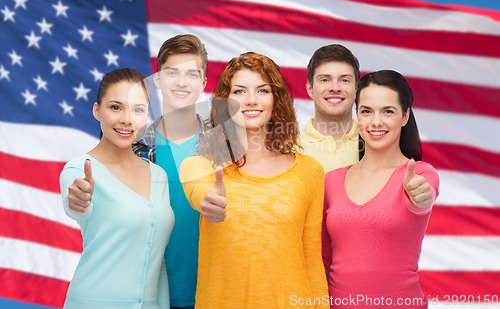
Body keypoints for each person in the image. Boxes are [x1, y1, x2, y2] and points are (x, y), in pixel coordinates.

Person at [67, 35, 207, 308]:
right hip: (150, 297)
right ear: (157, 80)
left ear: (203, 84)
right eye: (171, 72)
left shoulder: (225, 149)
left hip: (212, 294)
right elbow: (85, 202)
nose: (181, 81)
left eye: (192, 74)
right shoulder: (134, 147)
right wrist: (78, 201)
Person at [180, 52, 329, 309]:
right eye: (239, 92)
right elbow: (201, 193)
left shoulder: (309, 172)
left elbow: (312, 260)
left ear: (276, 100)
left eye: (262, 90)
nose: (251, 100)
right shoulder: (201, 167)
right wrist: (209, 201)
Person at [322, 70, 440, 309]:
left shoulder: (419, 174)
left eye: (388, 111)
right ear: (357, 115)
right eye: (366, 111)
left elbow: (423, 197)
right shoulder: (330, 181)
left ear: (405, 115)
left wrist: (420, 196)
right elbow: (323, 259)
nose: (376, 122)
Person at [60, 68, 174, 309]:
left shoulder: (159, 175)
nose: (126, 119)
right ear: (96, 110)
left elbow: (157, 260)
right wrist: (79, 201)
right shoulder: (78, 170)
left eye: (138, 110)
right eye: (115, 107)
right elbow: (78, 207)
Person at [299, 44, 361, 172]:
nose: (335, 88)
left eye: (344, 80)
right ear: (310, 89)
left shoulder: (375, 144)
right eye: (325, 80)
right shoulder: (288, 148)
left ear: (356, 88)